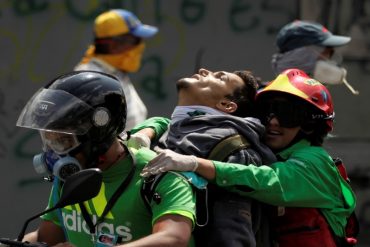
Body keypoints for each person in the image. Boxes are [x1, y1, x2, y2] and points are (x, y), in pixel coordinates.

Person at [141, 68, 357, 247]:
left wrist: (197, 164)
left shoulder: (314, 161)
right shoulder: (268, 151)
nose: (272, 122)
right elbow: (177, 122)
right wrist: (150, 129)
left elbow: (268, 181)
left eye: (286, 114)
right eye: (267, 112)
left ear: (310, 125)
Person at [17, 71, 196, 247]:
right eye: (49, 142)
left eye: (63, 141)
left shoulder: (159, 175)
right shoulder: (70, 180)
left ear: (98, 135)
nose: (53, 154)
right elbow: (45, 238)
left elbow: (174, 239)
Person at [132, 68, 276, 247]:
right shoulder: (168, 130)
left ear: (226, 105)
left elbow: (232, 235)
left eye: (220, 77)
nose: (203, 70)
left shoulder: (233, 148)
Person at [74, 9, 158, 130]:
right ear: (113, 44)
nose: (141, 46)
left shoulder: (115, 71)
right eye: (136, 40)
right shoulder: (90, 80)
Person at [270, 20, 358, 94]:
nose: (331, 57)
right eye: (327, 50)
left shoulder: (312, 100)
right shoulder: (269, 102)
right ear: (300, 56)